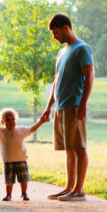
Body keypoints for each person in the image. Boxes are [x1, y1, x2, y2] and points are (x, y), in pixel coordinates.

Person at [39, 13, 94, 201]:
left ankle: (79, 191)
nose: (54, 37)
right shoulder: (62, 52)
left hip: (74, 104)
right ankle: (69, 187)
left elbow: (89, 76)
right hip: (60, 107)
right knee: (69, 148)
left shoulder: (82, 48)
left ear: (65, 28)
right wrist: (48, 107)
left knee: (79, 147)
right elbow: (56, 81)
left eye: (55, 33)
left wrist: (83, 104)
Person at [0, 107, 45, 202]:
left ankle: (24, 193)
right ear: (2, 122)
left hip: (21, 159)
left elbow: (32, 129)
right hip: (8, 161)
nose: (11, 122)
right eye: (8, 120)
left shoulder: (21, 130)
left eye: (13, 119)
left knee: (23, 179)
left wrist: (41, 122)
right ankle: (8, 195)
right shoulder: (1, 132)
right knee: (9, 180)